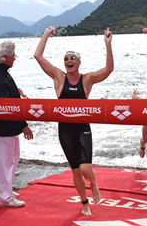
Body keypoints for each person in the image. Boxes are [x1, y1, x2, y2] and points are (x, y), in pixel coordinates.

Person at [34, 26, 114, 216]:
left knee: (86, 168)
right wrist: (46, 33)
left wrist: (108, 45)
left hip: (83, 129)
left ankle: (93, 184)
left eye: (72, 59)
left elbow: (109, 69)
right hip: (65, 131)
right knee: (76, 171)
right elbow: (38, 56)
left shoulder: (87, 79)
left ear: (79, 62)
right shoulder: (58, 77)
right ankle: (84, 202)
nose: (69, 61)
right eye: (66, 59)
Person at [0, 40, 33, 208]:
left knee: (12, 159)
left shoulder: (1, 72)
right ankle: (5, 197)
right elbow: (6, 106)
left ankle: (6, 189)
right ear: (5, 57)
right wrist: (23, 124)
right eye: (13, 55)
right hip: (4, 126)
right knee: (5, 162)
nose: (14, 58)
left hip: (8, 126)